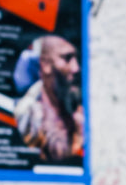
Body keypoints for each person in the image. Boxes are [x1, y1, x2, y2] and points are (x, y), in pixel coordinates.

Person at [14, 33, 83, 163]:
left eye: (77, 58)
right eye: (67, 58)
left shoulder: (81, 113)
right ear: (45, 64)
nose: (76, 68)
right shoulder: (28, 115)